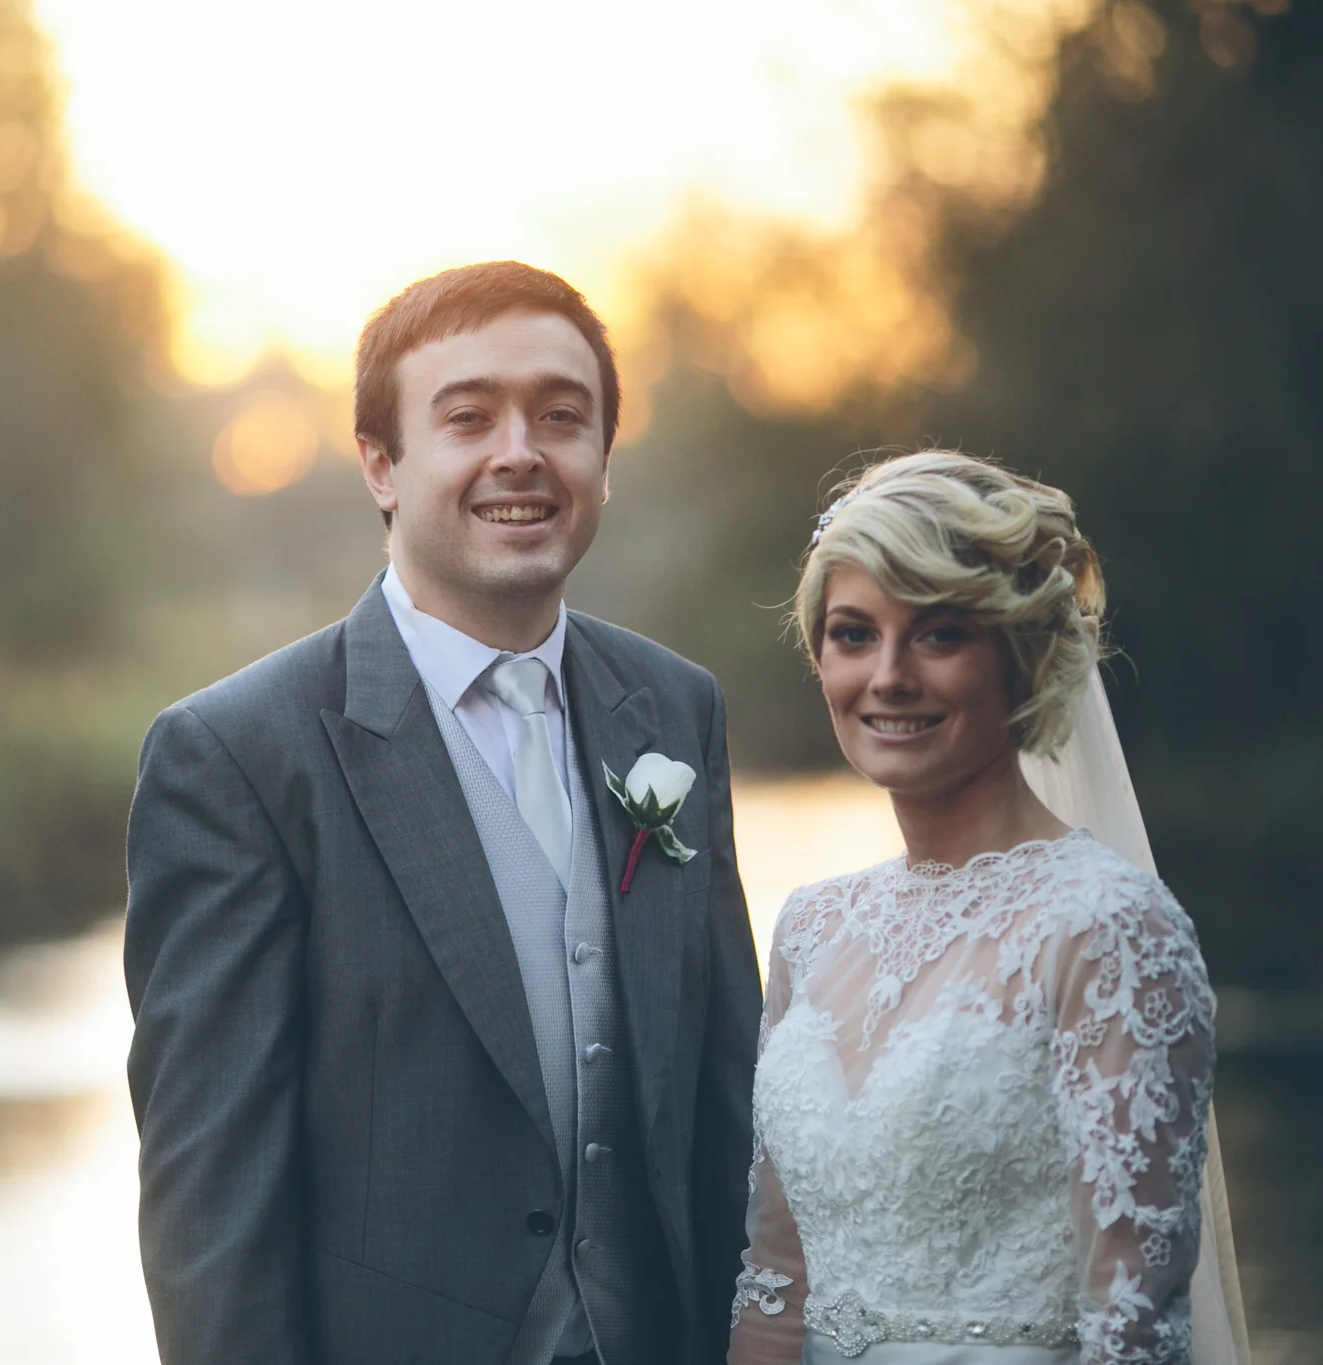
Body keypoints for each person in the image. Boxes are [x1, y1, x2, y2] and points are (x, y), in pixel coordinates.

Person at [124, 261, 763, 1365]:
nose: (519, 452)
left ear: (603, 459)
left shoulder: (673, 709)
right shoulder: (235, 755)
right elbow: (211, 1210)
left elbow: (725, 1108)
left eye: (561, 417)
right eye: (467, 418)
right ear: (380, 464)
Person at [728, 451, 1244, 1365]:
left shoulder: (1109, 925)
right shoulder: (812, 926)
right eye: (854, 634)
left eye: (938, 634)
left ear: (1020, 655)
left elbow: (1132, 1332)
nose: (887, 675)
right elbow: (775, 1284)